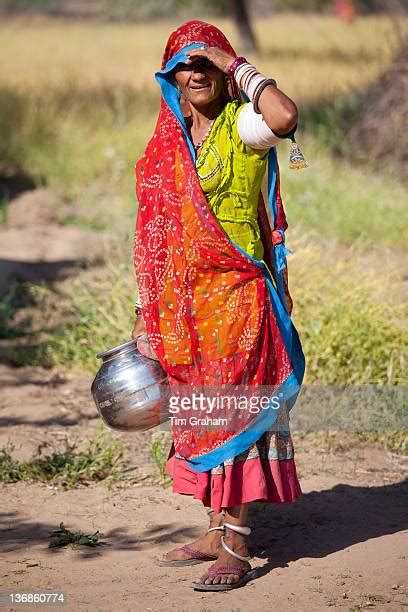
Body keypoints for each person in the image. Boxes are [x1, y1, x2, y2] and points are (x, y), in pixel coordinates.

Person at [132, 20, 306, 592]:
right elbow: (157, 233)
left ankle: (236, 546)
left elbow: (285, 118)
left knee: (238, 412)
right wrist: (145, 309)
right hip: (184, 308)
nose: (196, 72)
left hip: (238, 299)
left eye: (205, 62)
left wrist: (236, 65)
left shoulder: (245, 126)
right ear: (170, 78)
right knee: (202, 412)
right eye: (185, 63)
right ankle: (214, 529)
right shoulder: (170, 144)